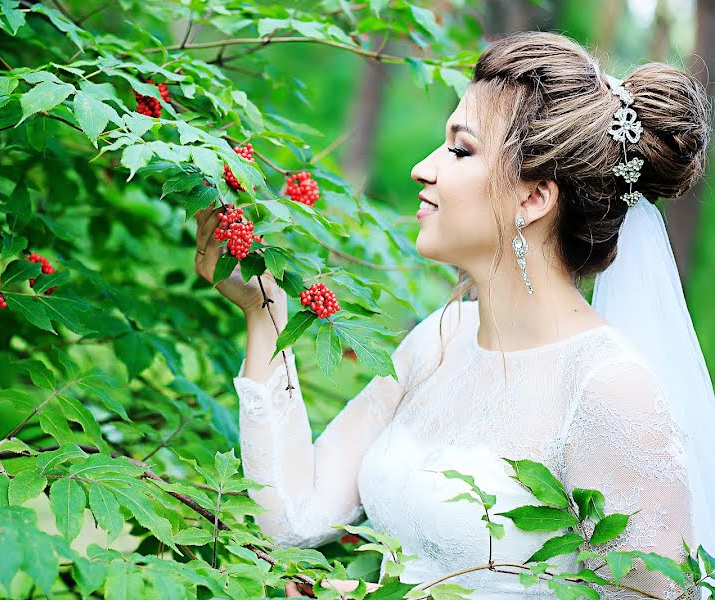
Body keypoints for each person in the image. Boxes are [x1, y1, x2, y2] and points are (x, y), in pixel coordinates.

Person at [194, 31, 714, 599]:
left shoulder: (610, 390)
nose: (422, 168)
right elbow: (294, 517)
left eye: (460, 149)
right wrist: (264, 311)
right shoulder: (437, 341)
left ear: (533, 198)